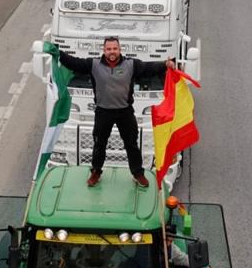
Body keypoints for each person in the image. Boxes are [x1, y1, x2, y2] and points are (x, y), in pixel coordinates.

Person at [57, 36, 174, 188]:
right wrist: (58, 53)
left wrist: (166, 64)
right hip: (103, 112)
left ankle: (138, 174)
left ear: (120, 49)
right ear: (104, 50)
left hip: (125, 112)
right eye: (109, 49)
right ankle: (96, 172)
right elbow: (74, 62)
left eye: (115, 48)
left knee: (131, 144)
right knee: (99, 145)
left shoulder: (131, 65)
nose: (112, 52)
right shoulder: (93, 64)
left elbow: (149, 67)